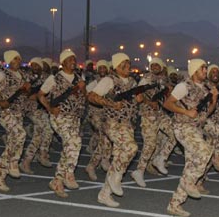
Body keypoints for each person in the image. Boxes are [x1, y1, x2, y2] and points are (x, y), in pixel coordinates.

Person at [87, 53, 145, 207]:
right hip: (112, 123)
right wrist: (111, 104)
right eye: (123, 64)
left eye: (128, 63)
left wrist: (139, 99)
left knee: (119, 157)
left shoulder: (132, 81)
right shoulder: (109, 80)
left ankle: (104, 194)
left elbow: (134, 100)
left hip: (127, 124)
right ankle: (116, 177)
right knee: (131, 148)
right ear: (116, 66)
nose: (127, 66)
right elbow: (92, 96)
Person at [161, 58, 218, 217]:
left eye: (206, 68)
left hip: (196, 129)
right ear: (194, 70)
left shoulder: (205, 88)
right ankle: (189, 184)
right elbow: (167, 104)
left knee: (191, 167)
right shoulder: (183, 86)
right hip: (183, 127)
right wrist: (186, 112)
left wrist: (214, 99)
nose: (205, 71)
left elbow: (208, 111)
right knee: (205, 152)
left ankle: (175, 204)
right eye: (202, 68)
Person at [37, 49, 87, 198]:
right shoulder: (54, 78)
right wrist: (50, 108)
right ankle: (68, 173)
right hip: (60, 117)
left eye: (74, 59)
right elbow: (40, 95)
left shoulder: (79, 78)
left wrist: (83, 88)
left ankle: (57, 180)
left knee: (69, 147)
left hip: (75, 118)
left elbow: (84, 97)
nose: (73, 61)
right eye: (70, 59)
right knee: (75, 142)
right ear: (63, 62)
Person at [0, 50, 30, 192]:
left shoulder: (23, 75)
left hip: (18, 112)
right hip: (4, 112)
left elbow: (25, 93)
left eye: (19, 58)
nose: (18, 61)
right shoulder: (1, 74)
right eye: (14, 59)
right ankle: (14, 162)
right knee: (20, 134)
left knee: (11, 145)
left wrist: (27, 89)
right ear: (8, 61)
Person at [130, 58, 174, 187]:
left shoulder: (164, 79)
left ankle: (161, 158)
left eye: (157, 65)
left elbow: (167, 97)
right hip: (148, 116)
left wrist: (169, 92)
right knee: (150, 145)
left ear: (161, 67)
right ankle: (139, 171)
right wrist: (149, 102)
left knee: (176, 133)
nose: (155, 67)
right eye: (152, 65)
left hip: (161, 114)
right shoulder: (146, 78)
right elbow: (138, 95)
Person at [19, 57, 53, 174]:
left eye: (37, 65)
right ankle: (43, 153)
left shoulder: (46, 77)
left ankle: (26, 161)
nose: (35, 67)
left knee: (38, 136)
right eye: (33, 65)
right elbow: (22, 91)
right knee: (48, 129)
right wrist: (29, 94)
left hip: (41, 109)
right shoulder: (27, 76)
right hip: (31, 109)